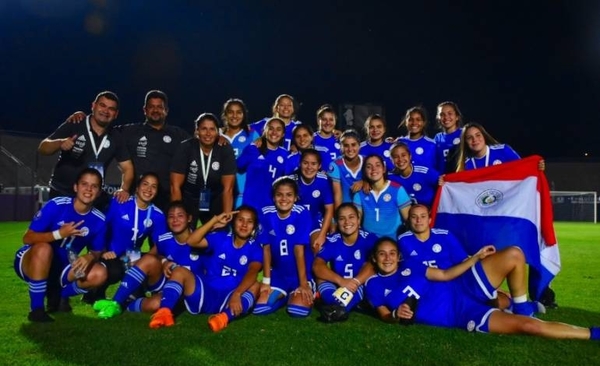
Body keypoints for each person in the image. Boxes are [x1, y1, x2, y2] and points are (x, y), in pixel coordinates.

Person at [365, 238, 600, 340]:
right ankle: (590, 333)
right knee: (529, 327)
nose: (388, 258)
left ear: (399, 256)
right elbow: (384, 315)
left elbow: (446, 274)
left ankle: (522, 307)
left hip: (462, 286)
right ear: (374, 259)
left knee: (514, 254)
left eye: (392, 253)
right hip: (461, 315)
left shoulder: (412, 265)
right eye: (382, 254)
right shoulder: (374, 285)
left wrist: (475, 258)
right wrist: (396, 315)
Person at [63, 90, 191, 212]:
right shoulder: (129, 132)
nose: (155, 110)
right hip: (136, 198)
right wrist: (83, 117)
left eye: (159, 107)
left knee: (164, 234)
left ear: (166, 110)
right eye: (151, 107)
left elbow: (198, 148)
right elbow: (102, 125)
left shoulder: (179, 135)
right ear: (144, 110)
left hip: (166, 199)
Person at [14, 168, 108, 322]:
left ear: (98, 192)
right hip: (33, 260)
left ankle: (57, 294)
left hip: (64, 267)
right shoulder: (56, 205)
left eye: (94, 186)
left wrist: (90, 256)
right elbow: (27, 238)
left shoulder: (99, 220)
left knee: (99, 273)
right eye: (84, 184)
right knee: (44, 248)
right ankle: (36, 310)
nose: (89, 189)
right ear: (75, 187)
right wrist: (58, 234)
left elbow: (97, 251)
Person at [149, 206, 262, 332]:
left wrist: (237, 293)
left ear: (254, 227)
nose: (244, 225)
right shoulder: (220, 237)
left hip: (229, 299)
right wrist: (214, 220)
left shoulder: (255, 249)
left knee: (255, 285)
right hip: (204, 292)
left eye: (249, 221)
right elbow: (192, 241)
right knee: (179, 271)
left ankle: (223, 318)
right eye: (240, 219)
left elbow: (253, 272)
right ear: (233, 221)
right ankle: (164, 313)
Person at [93, 201, 204, 319]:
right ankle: (116, 302)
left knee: (155, 304)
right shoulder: (164, 240)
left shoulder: (202, 242)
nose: (175, 220)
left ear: (189, 218)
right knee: (149, 260)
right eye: (171, 216)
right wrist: (164, 261)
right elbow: (149, 257)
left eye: (180, 216)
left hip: (190, 290)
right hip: (166, 283)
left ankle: (126, 304)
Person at [38, 91, 134, 211]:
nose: (105, 111)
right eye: (102, 105)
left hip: (91, 198)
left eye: (111, 109)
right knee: (55, 230)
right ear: (93, 106)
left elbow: (128, 168)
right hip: (62, 194)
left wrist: (124, 189)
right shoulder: (75, 124)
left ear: (116, 114)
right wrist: (60, 143)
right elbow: (43, 147)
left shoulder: (116, 137)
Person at [91, 172, 167, 302]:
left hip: (133, 257)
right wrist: (103, 251)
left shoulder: (158, 215)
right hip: (111, 253)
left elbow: (161, 244)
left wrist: (145, 260)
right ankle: (95, 291)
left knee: (151, 265)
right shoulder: (119, 202)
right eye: (145, 184)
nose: (149, 189)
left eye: (154, 186)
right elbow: (100, 227)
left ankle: (137, 292)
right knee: (114, 271)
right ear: (137, 188)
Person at [253, 177, 314, 317]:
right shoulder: (266, 213)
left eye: (289, 195)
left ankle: (295, 294)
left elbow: (299, 251)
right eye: (279, 194)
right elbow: (266, 249)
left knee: (298, 311)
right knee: (261, 309)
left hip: (300, 275)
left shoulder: (302, 213)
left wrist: (303, 284)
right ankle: (285, 295)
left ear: (295, 197)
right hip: (279, 275)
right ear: (274, 197)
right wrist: (266, 282)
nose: (284, 199)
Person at [170, 112, 237, 228]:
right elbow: (175, 186)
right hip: (189, 198)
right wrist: (179, 215)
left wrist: (225, 217)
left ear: (217, 132)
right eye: (204, 129)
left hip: (215, 198)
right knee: (184, 237)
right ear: (197, 131)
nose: (208, 133)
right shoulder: (185, 148)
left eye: (212, 129)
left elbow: (228, 189)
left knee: (219, 236)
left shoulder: (225, 149)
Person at [312, 203, 377, 319]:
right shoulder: (332, 240)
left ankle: (336, 308)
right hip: (339, 283)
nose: (347, 222)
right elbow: (317, 266)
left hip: (358, 283)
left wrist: (356, 281)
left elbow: (374, 265)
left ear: (358, 219)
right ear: (337, 222)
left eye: (351, 217)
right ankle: (340, 307)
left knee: (370, 277)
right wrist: (341, 280)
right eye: (342, 219)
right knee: (321, 277)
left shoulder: (369, 238)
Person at [353, 154, 411, 238]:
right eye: (369, 167)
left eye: (378, 165)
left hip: (393, 243)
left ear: (384, 169)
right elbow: (356, 223)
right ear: (364, 171)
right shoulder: (359, 193)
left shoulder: (398, 190)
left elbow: (409, 221)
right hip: (368, 243)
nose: (374, 169)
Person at [288, 149, 334, 253]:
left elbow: (329, 209)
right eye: (305, 163)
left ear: (319, 166)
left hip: (314, 220)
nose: (309, 167)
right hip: (294, 222)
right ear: (300, 163)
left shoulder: (323, 181)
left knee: (317, 247)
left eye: (313, 164)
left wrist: (322, 235)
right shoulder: (291, 181)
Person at [237, 117, 288, 211]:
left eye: (278, 129)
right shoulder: (253, 148)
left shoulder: (285, 155)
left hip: (272, 208)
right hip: (250, 206)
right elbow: (239, 165)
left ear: (283, 134)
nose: (274, 132)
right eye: (271, 128)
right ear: (264, 131)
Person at [219, 98, 260, 208]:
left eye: (239, 112)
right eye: (230, 112)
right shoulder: (216, 134)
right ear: (225, 114)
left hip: (243, 194)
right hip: (219, 192)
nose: (234, 116)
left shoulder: (252, 135)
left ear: (244, 114)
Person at [388, 142, 440, 207]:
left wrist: (441, 181)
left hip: (428, 214)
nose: (400, 159)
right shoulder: (390, 178)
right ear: (391, 160)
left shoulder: (424, 172)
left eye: (403, 155)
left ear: (410, 156)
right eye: (396, 157)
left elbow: (442, 182)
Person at [455, 122, 520, 171]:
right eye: (469, 138)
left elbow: (522, 168)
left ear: (484, 136)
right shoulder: (466, 165)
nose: (474, 139)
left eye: (478, 135)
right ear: (465, 142)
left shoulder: (503, 150)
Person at [327, 129, 364, 209]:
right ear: (341, 147)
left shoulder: (367, 161)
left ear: (359, 146)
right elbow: (337, 195)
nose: (350, 149)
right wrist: (338, 216)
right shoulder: (335, 165)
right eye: (346, 145)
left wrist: (364, 182)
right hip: (345, 209)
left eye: (353, 145)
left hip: (365, 209)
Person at [434, 101, 464, 173]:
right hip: (444, 181)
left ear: (457, 117)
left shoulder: (464, 134)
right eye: (442, 114)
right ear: (438, 118)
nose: (446, 117)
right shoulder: (437, 138)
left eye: (450, 113)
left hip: (461, 179)